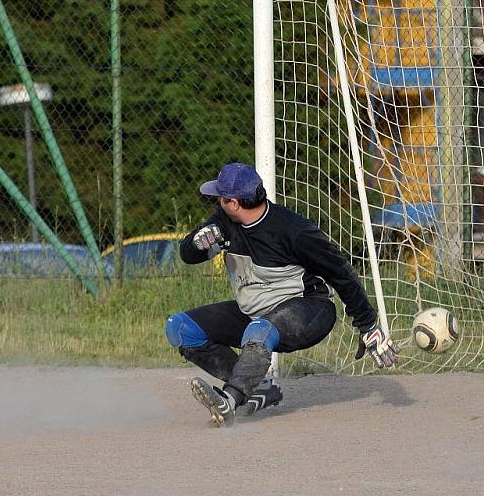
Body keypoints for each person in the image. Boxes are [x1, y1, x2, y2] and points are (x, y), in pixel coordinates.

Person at [165, 163, 398, 426]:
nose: (217, 200)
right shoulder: (223, 219)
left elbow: (340, 272)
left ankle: (229, 401)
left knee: (259, 330)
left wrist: (367, 324)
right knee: (181, 328)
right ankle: (259, 388)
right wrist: (197, 243)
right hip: (256, 312)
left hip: (309, 310)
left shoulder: (292, 230)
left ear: (233, 202)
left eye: (220, 196)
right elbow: (188, 254)